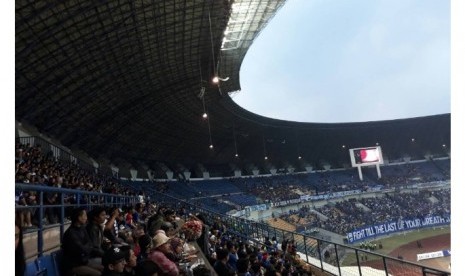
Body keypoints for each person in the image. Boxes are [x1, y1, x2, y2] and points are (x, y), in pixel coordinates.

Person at [62, 207, 103, 276]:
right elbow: (83, 249)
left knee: (103, 268)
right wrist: (88, 247)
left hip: (84, 262)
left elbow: (90, 243)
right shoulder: (70, 233)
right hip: (74, 266)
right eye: (85, 215)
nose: (86, 218)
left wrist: (87, 246)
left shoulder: (82, 228)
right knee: (98, 274)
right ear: (79, 218)